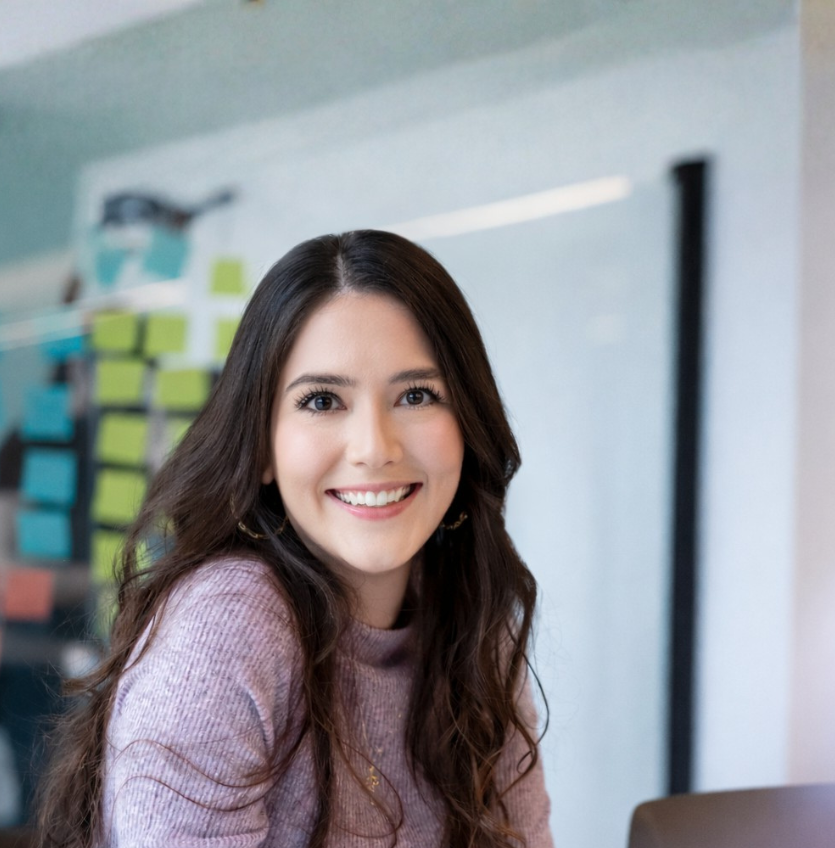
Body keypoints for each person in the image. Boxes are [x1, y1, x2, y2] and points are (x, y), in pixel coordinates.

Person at [37, 230, 553, 848]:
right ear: (261, 449)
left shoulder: (470, 616)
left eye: (416, 395)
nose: (374, 449)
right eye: (323, 401)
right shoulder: (229, 622)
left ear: (468, 426)